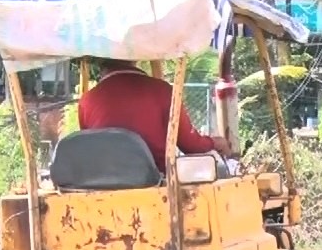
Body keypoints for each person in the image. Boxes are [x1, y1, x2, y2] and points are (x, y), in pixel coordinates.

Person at [76, 56, 231, 172]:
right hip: (154, 184)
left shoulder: (86, 101)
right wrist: (216, 143)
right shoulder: (162, 91)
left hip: (100, 185)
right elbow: (191, 145)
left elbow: (90, 148)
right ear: (135, 58)